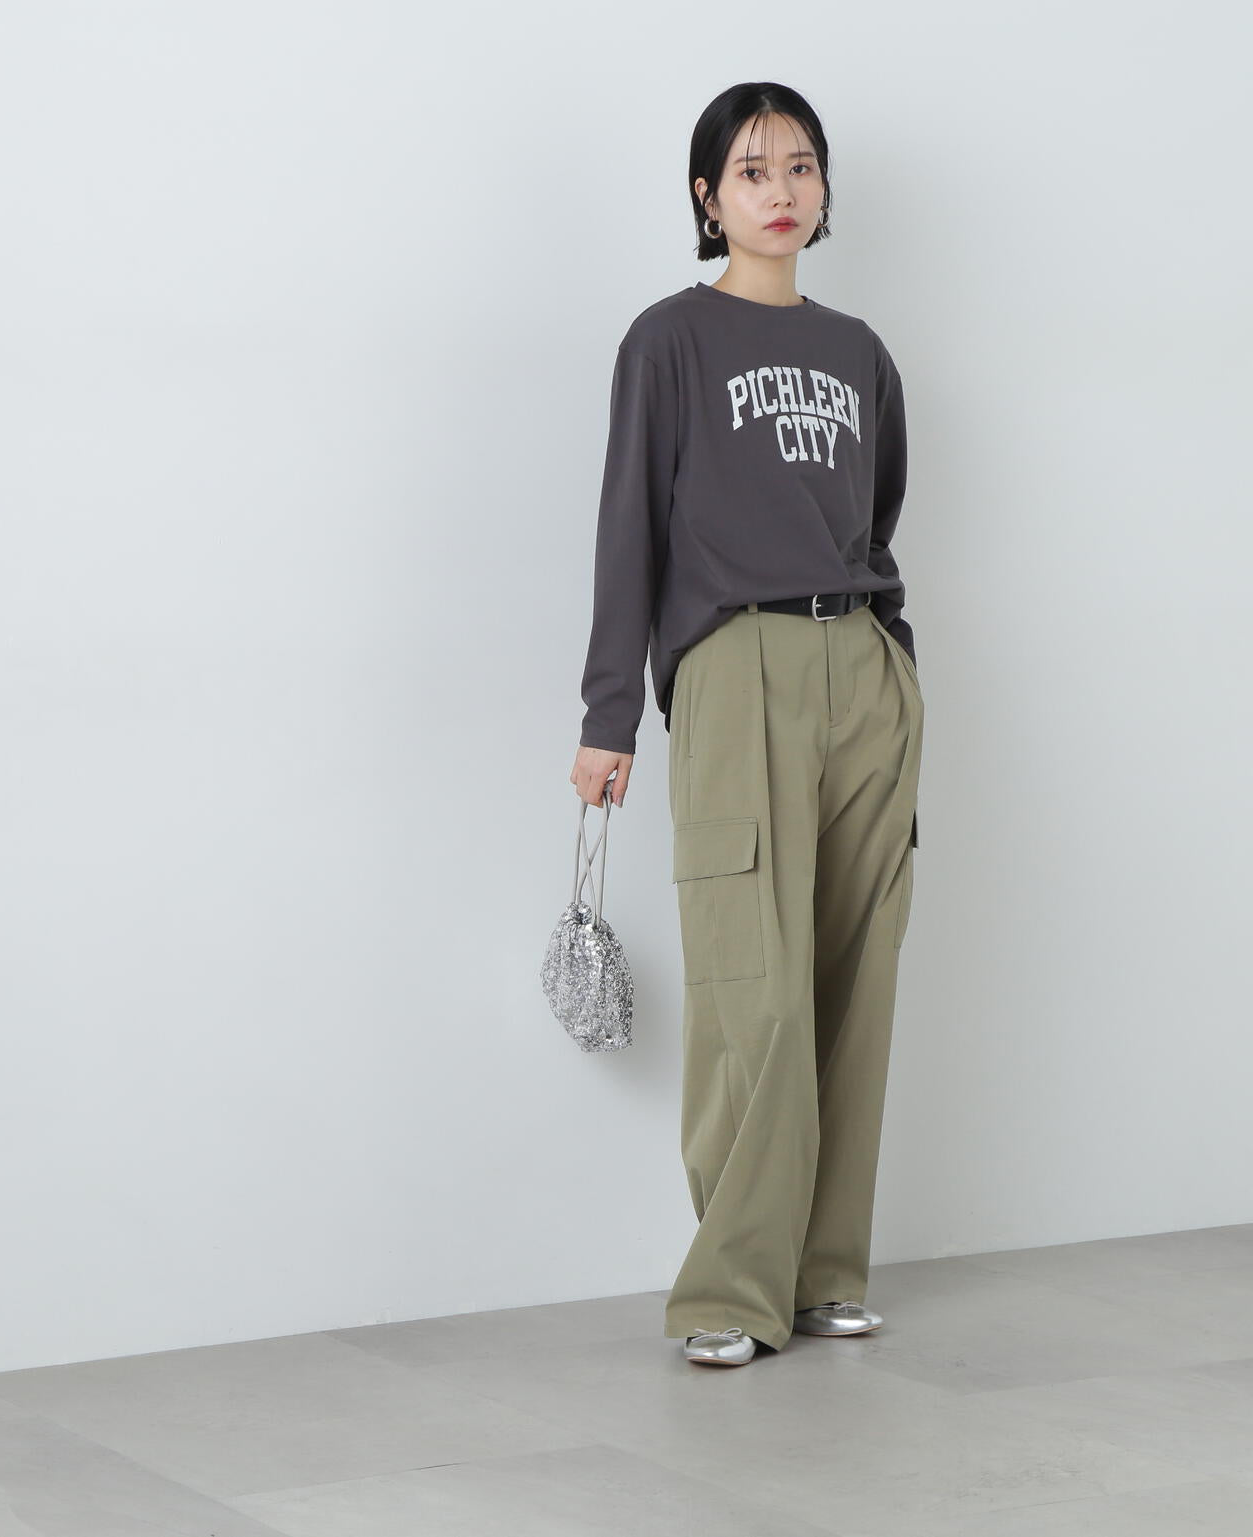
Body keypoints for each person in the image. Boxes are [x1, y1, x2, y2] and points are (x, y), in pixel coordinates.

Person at [569, 81, 924, 1369]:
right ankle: (729, 1286)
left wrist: (892, 661)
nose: (782, 190)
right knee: (751, 991)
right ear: (708, 197)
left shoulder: (860, 352)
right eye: (753, 168)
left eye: (802, 166)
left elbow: (877, 516)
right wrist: (611, 712)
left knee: (854, 984)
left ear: (824, 193)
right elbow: (630, 527)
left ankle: (824, 1274)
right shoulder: (669, 340)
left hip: (860, 668)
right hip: (736, 666)